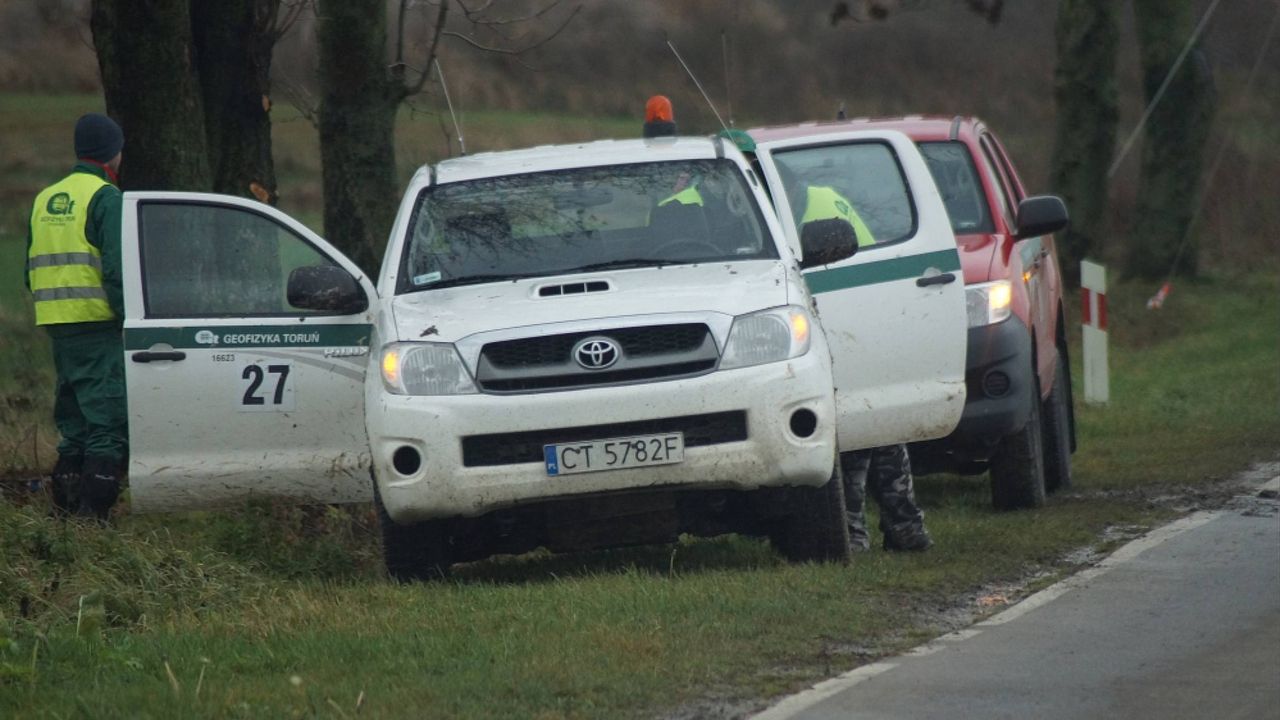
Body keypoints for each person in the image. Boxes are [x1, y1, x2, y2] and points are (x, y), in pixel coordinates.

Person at [794, 180, 932, 552]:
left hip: (840, 319)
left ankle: (858, 532)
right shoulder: (825, 197)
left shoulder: (815, 205)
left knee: (860, 428)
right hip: (855, 317)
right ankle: (902, 527)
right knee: (875, 426)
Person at [26, 113, 128, 520]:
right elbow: (117, 270)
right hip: (98, 324)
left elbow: (27, 268)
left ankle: (63, 512)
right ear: (111, 153)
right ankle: (92, 518)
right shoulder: (105, 197)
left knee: (75, 425)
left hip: (57, 324)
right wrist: (128, 319)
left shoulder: (45, 198)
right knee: (107, 424)